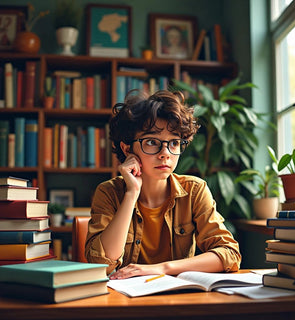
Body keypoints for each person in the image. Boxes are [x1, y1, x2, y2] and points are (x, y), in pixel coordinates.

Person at [85, 89, 241, 279]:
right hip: (126, 300)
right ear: (127, 149)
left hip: (176, 298)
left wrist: (162, 268)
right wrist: (131, 194)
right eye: (152, 141)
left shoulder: (194, 190)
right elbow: (101, 265)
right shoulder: (109, 192)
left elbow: (229, 254)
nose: (165, 153)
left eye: (174, 143)